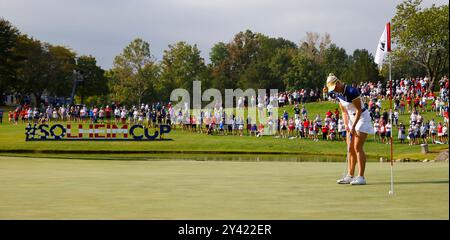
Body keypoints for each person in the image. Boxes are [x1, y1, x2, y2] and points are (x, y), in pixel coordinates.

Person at [327, 73, 374, 185]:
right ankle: (350, 175)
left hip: (362, 117)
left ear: (338, 83)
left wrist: (353, 126)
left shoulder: (352, 91)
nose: (335, 90)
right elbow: (344, 111)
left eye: (335, 87)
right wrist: (347, 125)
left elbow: (358, 110)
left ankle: (361, 177)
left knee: (357, 146)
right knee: (350, 148)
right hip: (351, 119)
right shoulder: (337, 94)